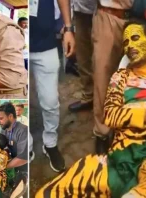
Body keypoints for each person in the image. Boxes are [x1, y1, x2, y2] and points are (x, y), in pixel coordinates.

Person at [36, 21, 146, 198]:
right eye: (126, 43)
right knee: (47, 194)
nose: (130, 46)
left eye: (135, 38)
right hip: (121, 158)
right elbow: (110, 116)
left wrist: (130, 112)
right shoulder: (121, 76)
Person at [30, 0, 75, 172]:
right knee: (19, 101)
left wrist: (68, 28)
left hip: (46, 43)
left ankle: (50, 143)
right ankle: (24, 146)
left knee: (50, 101)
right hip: (20, 49)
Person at [92, 0, 134, 138]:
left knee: (137, 75)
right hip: (109, 16)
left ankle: (132, 128)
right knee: (103, 74)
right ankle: (102, 132)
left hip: (139, 18)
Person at [68, 0, 96, 112]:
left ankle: (108, 99)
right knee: (83, 57)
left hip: (103, 11)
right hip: (80, 12)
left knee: (104, 59)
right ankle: (89, 96)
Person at [0, 102, 28, 173]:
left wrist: (3, 167)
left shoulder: (23, 131)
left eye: (0, 118)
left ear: (10, 116)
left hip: (26, 167)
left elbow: (23, 158)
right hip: (14, 164)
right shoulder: (3, 129)